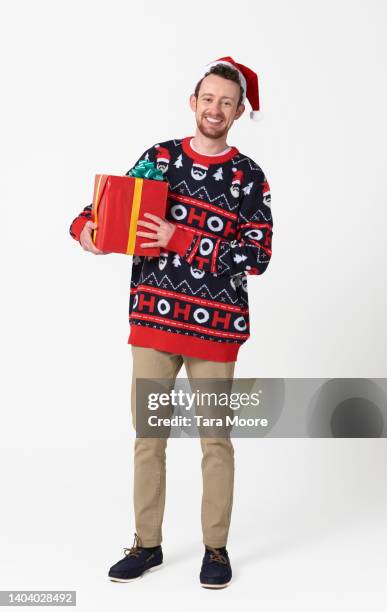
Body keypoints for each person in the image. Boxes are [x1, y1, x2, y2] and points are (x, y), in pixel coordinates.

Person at [69, 56, 273, 589]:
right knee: (149, 437)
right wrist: (85, 229)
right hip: (154, 323)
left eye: (227, 102)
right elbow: (108, 207)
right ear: (194, 102)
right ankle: (147, 544)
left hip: (217, 331)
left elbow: (257, 254)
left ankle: (216, 549)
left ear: (238, 111)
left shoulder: (248, 176)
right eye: (208, 99)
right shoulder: (158, 159)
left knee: (215, 440)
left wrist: (179, 239)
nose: (216, 109)